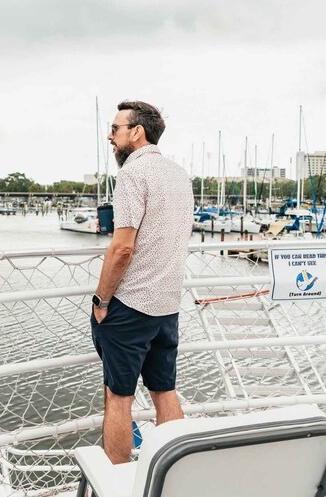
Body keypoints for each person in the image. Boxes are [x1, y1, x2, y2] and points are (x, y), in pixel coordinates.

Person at [90, 100, 193, 464]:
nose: (110, 136)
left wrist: (101, 301)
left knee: (119, 397)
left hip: (131, 306)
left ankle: (117, 483)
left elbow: (122, 248)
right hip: (167, 305)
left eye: (115, 129)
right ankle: (178, 475)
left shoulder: (132, 175)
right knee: (165, 391)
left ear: (136, 132)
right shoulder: (179, 174)